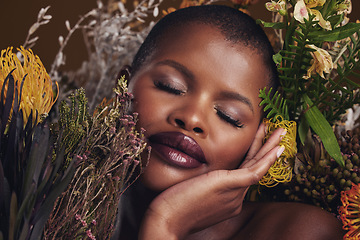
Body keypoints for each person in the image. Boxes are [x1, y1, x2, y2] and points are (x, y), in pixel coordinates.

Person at [113, 4, 345, 239]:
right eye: (170, 87)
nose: (192, 118)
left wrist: (164, 222)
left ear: (259, 139)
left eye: (228, 116)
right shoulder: (75, 196)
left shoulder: (299, 231)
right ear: (123, 88)